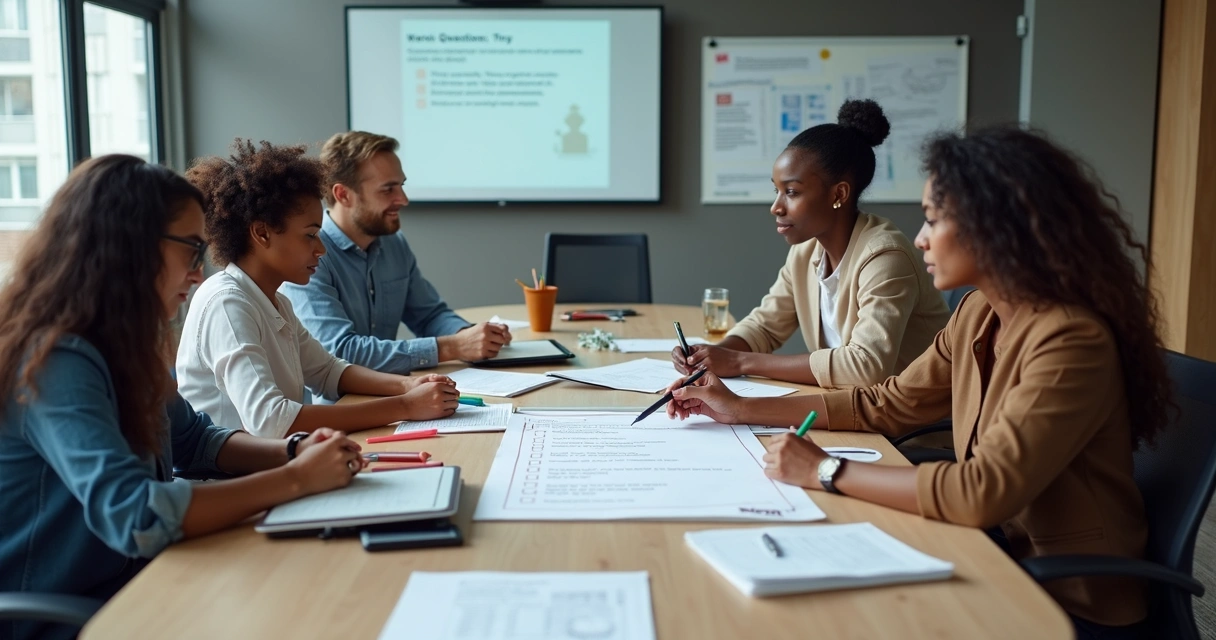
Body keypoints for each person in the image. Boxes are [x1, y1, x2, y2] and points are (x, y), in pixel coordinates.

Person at [665, 126, 1169, 638]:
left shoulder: (1069, 340)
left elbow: (981, 492)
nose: (922, 237)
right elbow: (889, 403)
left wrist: (825, 469)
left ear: (996, 227)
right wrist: (738, 409)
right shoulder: (978, 312)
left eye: (933, 219)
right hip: (995, 552)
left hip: (1070, 599)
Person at [0, 155, 366, 640]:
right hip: (74, 613)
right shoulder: (53, 360)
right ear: (129, 247)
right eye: (192, 251)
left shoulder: (127, 345)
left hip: (144, 578)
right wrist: (296, 479)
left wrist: (294, 451)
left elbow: (197, 442)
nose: (198, 274)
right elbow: (136, 513)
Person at [177, 140, 458, 438]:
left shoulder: (276, 302)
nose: (321, 249)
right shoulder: (227, 303)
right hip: (234, 480)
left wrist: (408, 386)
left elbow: (327, 371)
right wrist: (404, 406)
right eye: (310, 235)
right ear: (262, 233)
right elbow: (271, 421)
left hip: (277, 466)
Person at [674, 99, 949, 388]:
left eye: (791, 192)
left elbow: (866, 367)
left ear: (838, 194)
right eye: (776, 190)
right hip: (855, 412)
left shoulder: (885, 256)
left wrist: (739, 361)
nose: (776, 207)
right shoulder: (805, 252)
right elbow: (765, 327)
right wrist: (710, 356)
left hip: (908, 428)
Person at [280, 131, 510, 376]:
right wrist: (453, 347)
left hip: (394, 393)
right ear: (343, 195)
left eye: (401, 186)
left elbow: (429, 315)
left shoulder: (394, 244)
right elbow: (338, 352)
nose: (403, 199)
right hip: (339, 407)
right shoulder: (311, 255)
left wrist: (469, 336)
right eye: (388, 189)